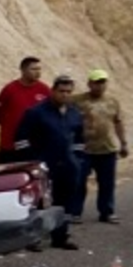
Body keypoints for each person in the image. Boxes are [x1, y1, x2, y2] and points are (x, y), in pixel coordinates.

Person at [15, 73, 85, 250]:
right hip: (44, 167)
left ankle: (60, 237)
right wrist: (33, 162)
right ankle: (34, 239)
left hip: (68, 167)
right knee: (40, 203)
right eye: (61, 91)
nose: (65, 95)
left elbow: (79, 139)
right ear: (52, 91)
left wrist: (77, 160)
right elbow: (20, 140)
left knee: (65, 203)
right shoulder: (36, 112)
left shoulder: (74, 113)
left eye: (69, 91)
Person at [72, 68, 127, 224]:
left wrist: (123, 143)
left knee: (107, 183)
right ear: (89, 83)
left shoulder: (112, 101)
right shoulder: (77, 101)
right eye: (97, 82)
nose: (100, 86)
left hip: (107, 149)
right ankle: (75, 212)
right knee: (79, 182)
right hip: (84, 149)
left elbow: (118, 122)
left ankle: (107, 212)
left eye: (103, 82)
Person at [0, 57, 51, 164]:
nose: (38, 72)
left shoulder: (44, 90)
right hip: (9, 144)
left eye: (39, 69)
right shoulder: (10, 89)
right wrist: (10, 127)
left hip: (33, 146)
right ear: (23, 70)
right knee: (5, 175)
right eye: (33, 69)